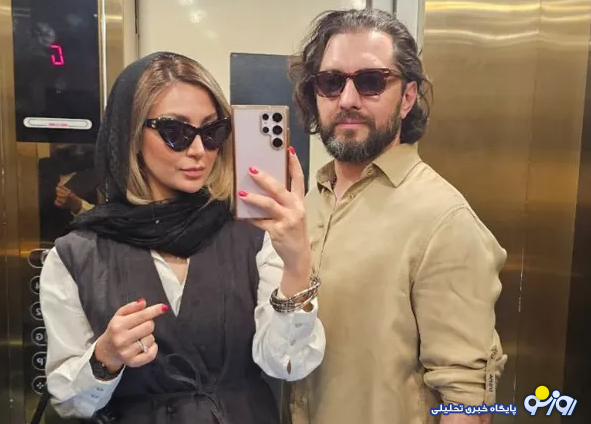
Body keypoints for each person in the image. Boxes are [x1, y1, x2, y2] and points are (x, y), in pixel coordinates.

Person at [39, 51, 325, 424]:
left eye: (212, 132)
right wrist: (105, 358)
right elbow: (69, 404)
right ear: (131, 134)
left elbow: (287, 364)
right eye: (175, 132)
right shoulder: (78, 255)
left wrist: (297, 265)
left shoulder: (253, 236)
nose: (198, 151)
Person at [284, 9, 507, 424]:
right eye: (331, 83)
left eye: (370, 82)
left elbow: (465, 397)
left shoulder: (443, 219)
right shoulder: (307, 205)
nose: (347, 100)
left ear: (406, 98)